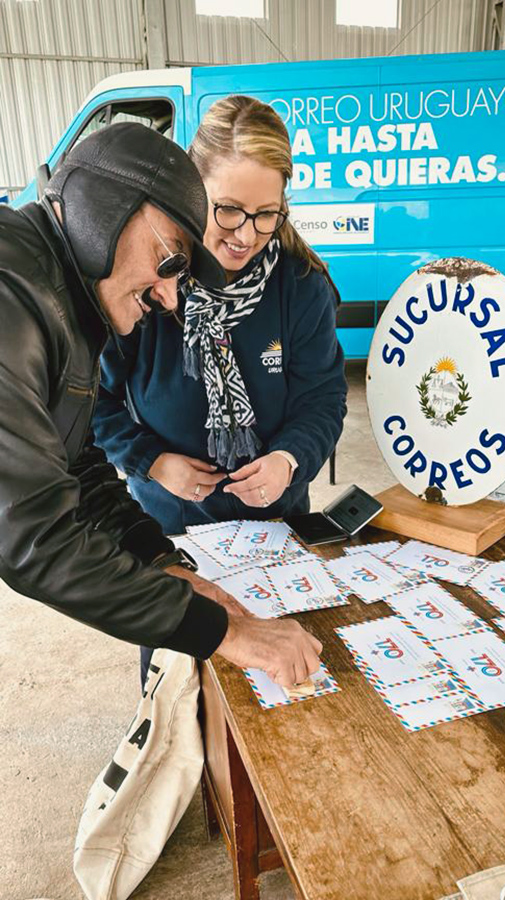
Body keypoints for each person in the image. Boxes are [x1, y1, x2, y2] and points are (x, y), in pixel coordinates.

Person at [0, 122, 322, 688]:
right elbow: (35, 538)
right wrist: (229, 633)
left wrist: (160, 563)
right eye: (171, 260)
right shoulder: (12, 297)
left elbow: (75, 461)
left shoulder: (61, 295)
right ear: (106, 208)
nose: (171, 296)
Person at [93, 95, 347, 537]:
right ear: (191, 187)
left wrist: (288, 460)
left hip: (277, 527)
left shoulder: (302, 285)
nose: (246, 235)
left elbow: (322, 398)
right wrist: (150, 462)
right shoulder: (148, 280)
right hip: (168, 525)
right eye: (227, 209)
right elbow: (94, 401)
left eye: (266, 214)